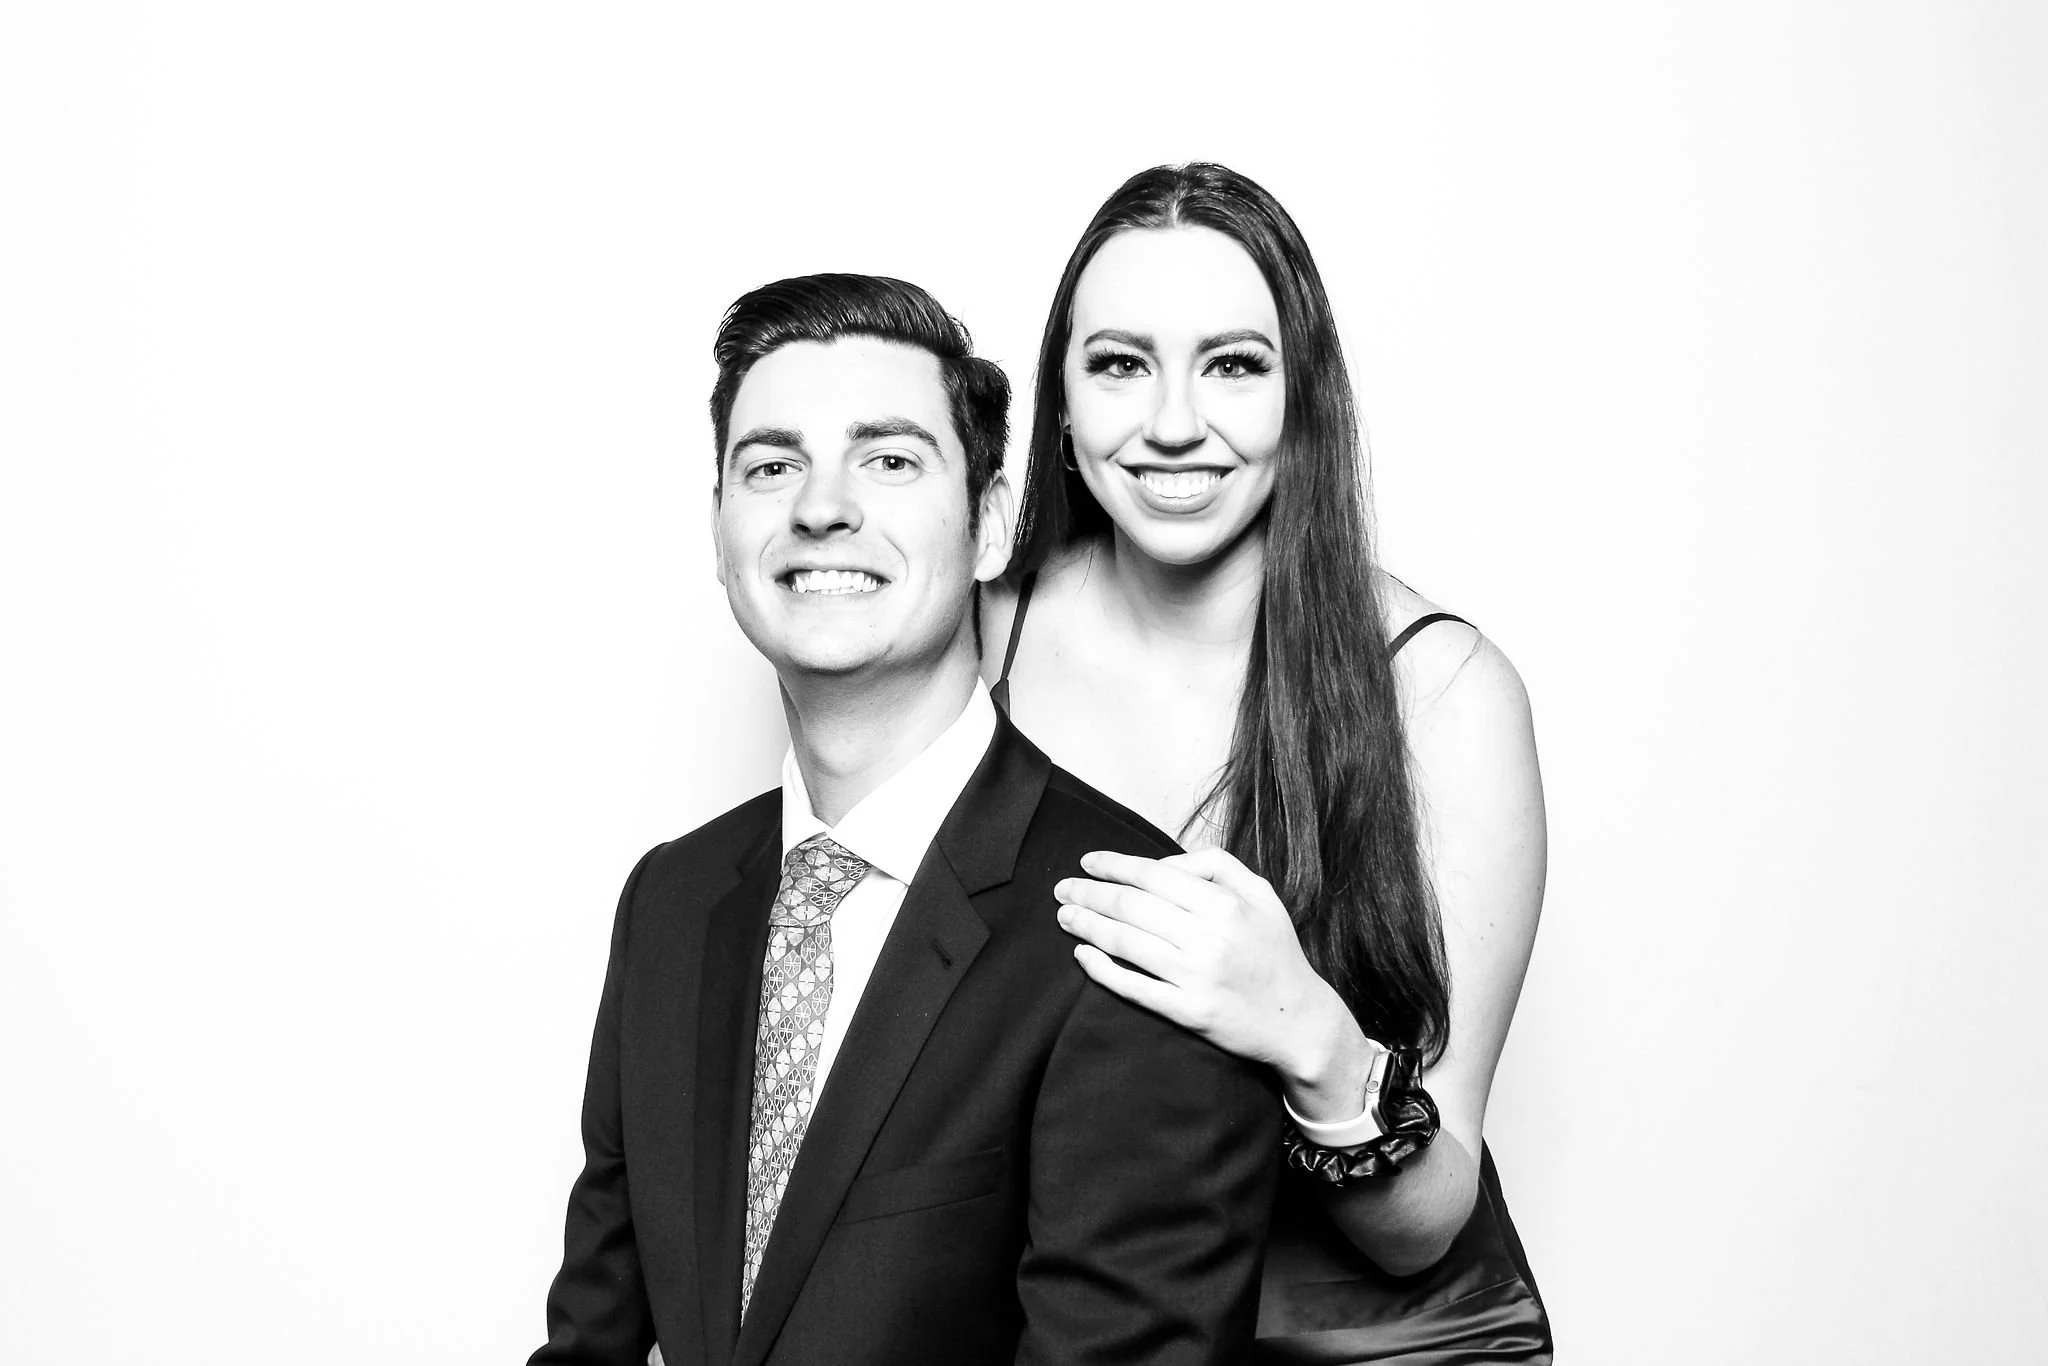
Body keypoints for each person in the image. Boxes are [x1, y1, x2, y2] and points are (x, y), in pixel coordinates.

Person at [529, 272, 1281, 1366]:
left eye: (887, 459)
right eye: (771, 463)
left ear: (986, 526)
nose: (819, 506)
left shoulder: (1131, 933)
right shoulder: (671, 902)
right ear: (719, 530)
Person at [982, 164, 1554, 1362]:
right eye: (1120, 363)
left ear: (1304, 397)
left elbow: (1423, 1223)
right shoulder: (983, 643)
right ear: (1062, 402)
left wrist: (1302, 1023)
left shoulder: (1442, 695)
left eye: (1233, 364)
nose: (1174, 421)